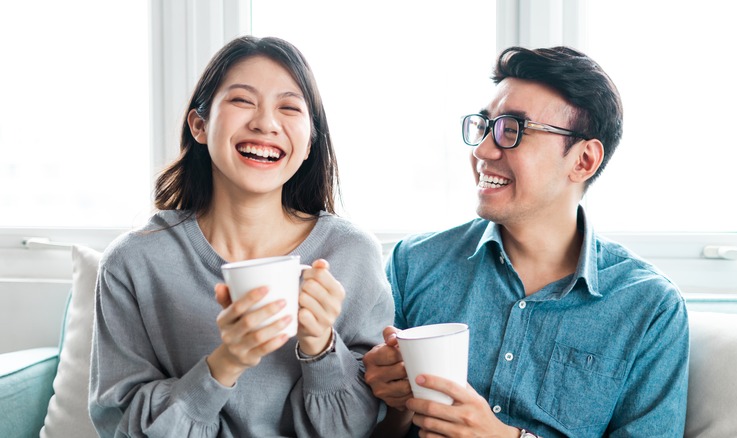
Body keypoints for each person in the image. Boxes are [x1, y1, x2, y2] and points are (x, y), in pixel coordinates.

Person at [364, 46, 689, 437]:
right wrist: (393, 404)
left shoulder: (649, 306)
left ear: (583, 160)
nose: (482, 150)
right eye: (484, 126)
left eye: (512, 130)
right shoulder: (413, 264)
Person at [89, 35, 393, 437]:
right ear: (200, 125)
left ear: (308, 144)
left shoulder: (352, 255)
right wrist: (226, 362)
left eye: (288, 107)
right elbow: (122, 427)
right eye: (242, 101)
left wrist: (321, 346)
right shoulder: (134, 261)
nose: (265, 123)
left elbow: (363, 429)